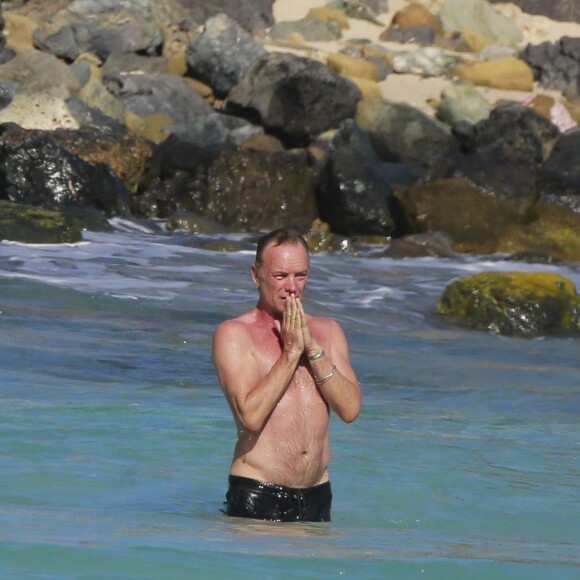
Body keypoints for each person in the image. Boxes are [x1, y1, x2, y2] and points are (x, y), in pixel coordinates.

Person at [212, 228, 361, 522]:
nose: (292, 287)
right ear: (257, 275)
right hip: (258, 491)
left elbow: (350, 409)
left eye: (301, 275)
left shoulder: (328, 332)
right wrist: (291, 353)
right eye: (280, 276)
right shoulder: (234, 334)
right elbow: (250, 416)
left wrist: (312, 349)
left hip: (317, 494)